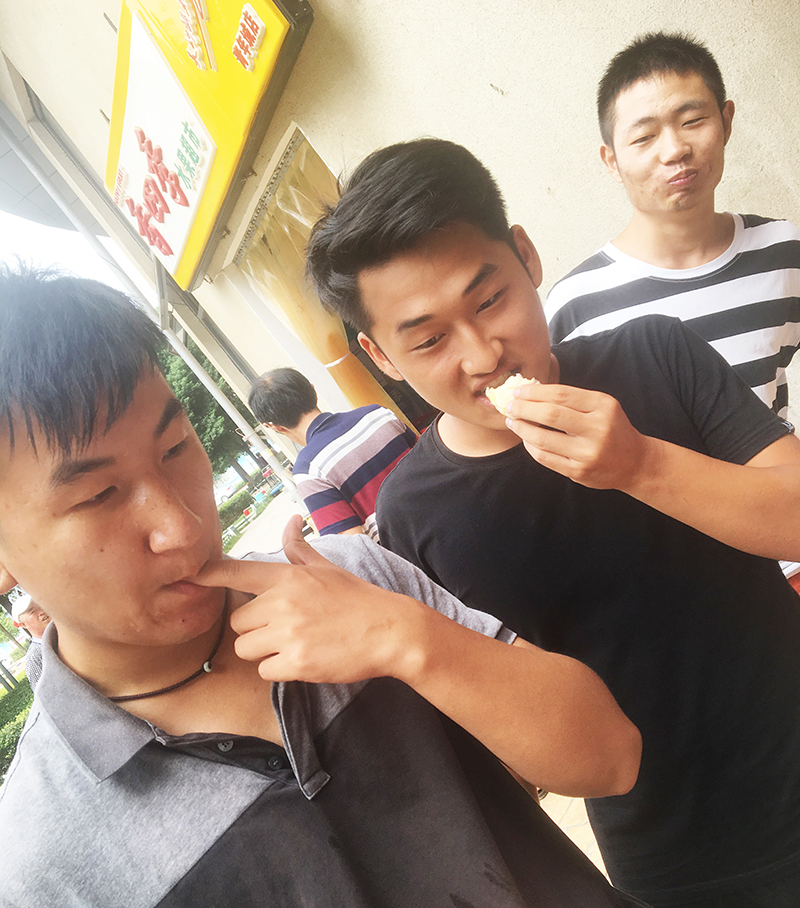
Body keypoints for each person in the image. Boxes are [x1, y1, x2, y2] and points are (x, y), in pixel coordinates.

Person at [0, 267, 645, 907]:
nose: (182, 526)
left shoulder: (348, 576)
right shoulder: (41, 863)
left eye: (174, 449)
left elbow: (611, 757)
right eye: (98, 495)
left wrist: (410, 640)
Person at [304, 137, 800, 908]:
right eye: (429, 340)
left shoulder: (654, 352)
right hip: (680, 864)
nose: (483, 355)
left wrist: (641, 465)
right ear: (382, 357)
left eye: (489, 301)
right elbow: (519, 751)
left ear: (527, 257)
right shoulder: (415, 514)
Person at [545, 32, 800, 420]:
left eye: (692, 121)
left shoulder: (783, 251)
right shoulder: (576, 304)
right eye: (644, 137)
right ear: (612, 161)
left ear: (726, 122)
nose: (675, 150)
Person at [248, 366, 415, 540]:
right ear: (313, 391)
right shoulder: (377, 414)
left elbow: (353, 544)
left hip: (408, 552)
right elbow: (430, 461)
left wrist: (323, 535)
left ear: (274, 427)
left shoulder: (308, 469)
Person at [11, 593, 50, 691]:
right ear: (23, 624)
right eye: (32, 611)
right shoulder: (35, 657)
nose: (42, 612)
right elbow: (44, 695)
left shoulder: (69, 633)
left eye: (41, 606)